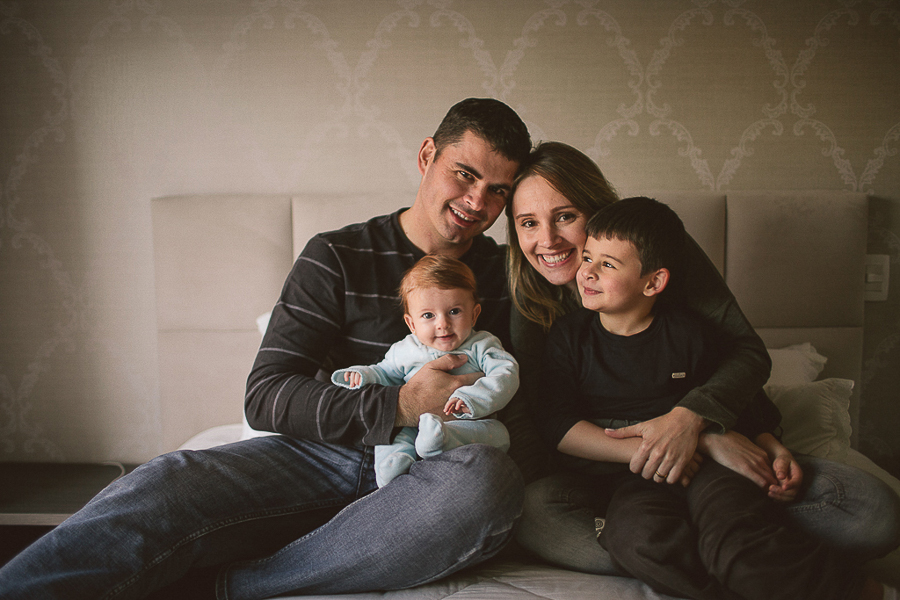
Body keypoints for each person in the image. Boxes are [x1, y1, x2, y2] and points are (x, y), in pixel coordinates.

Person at [0, 98, 532, 600]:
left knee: (487, 482)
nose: (477, 202)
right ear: (426, 156)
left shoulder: (508, 277)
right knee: (168, 480)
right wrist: (402, 403)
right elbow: (267, 395)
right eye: (465, 174)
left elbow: (532, 397)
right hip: (322, 457)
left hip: (438, 466)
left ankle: (235, 585)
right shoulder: (337, 255)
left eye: (498, 191)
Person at [508, 141, 900, 576]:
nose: (548, 240)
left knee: (874, 513)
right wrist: (696, 441)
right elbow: (547, 416)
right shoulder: (538, 305)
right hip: (611, 473)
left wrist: (694, 421)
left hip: (713, 474)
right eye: (528, 223)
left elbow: (741, 355)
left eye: (565, 216)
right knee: (535, 511)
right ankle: (737, 559)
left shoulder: (666, 274)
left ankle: (720, 551)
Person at [331, 254, 518, 487]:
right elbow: (384, 373)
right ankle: (393, 463)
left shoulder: (483, 344)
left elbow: (506, 374)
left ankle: (442, 439)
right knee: (391, 432)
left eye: (454, 311)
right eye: (428, 315)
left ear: (474, 313)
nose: (442, 324)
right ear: (411, 324)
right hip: (414, 423)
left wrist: (472, 398)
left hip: (469, 423)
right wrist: (362, 374)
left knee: (500, 434)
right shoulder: (404, 350)